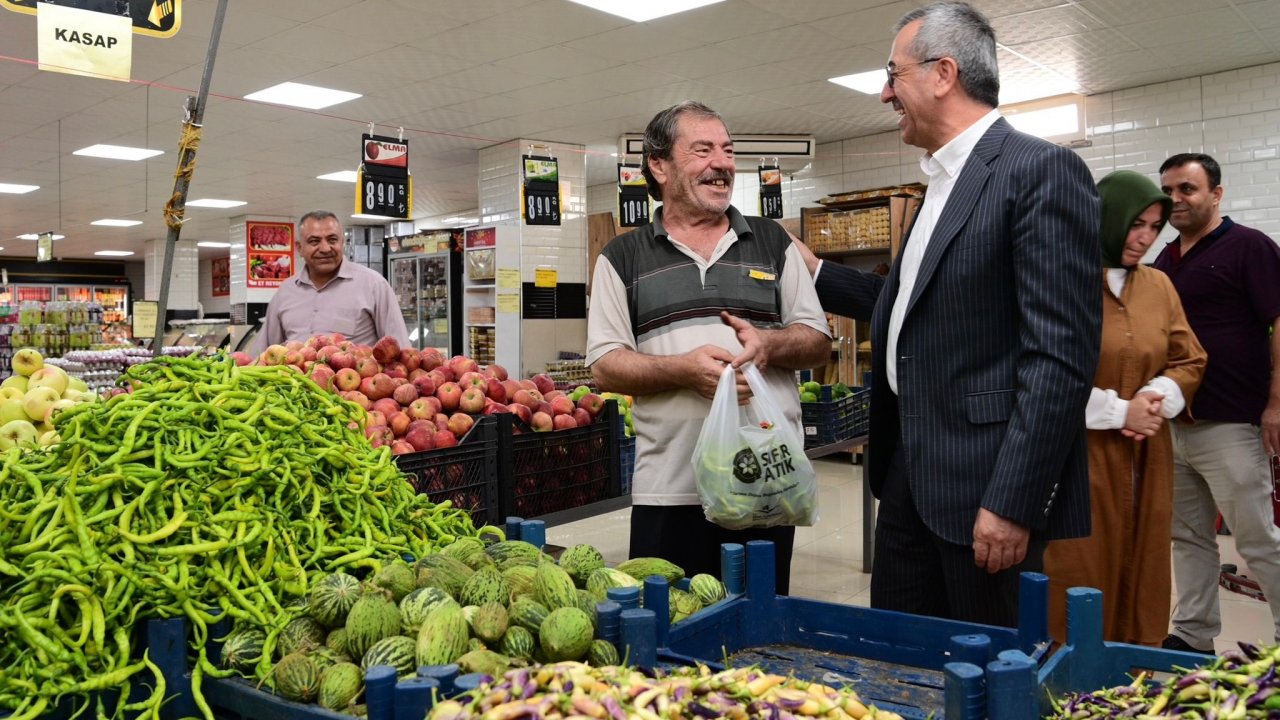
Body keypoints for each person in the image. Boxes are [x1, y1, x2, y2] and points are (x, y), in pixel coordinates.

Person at [791, 1, 1101, 626]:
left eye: (892, 74)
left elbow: (1060, 358)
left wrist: (1013, 501)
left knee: (985, 675)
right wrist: (820, 274)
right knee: (901, 663)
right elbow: (918, 312)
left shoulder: (1040, 172)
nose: (884, 94)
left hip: (985, 488)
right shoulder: (940, 184)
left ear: (943, 73)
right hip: (907, 475)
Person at [586, 101, 831, 593]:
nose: (722, 163)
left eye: (728, 150)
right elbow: (605, 368)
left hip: (762, 482)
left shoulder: (772, 242)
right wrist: (682, 370)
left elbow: (817, 341)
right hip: (668, 489)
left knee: (757, 639)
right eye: (703, 150)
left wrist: (768, 345)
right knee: (670, 642)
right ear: (659, 165)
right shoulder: (621, 257)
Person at [1042, 170, 1206, 646]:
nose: (1146, 237)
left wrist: (1158, 396)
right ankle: (1069, 689)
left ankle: (1133, 680)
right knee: (1078, 569)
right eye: (1138, 223)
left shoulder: (1158, 286)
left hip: (1148, 458)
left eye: (1156, 227)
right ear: (1104, 217)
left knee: (1144, 564)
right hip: (1077, 458)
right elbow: (1037, 374)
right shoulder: (1060, 283)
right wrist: (1119, 412)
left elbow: (1189, 356)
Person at [1152, 153, 1280, 654]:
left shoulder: (1250, 247)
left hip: (1231, 422)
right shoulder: (1165, 260)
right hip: (1176, 426)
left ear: (1216, 194)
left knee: (1257, 540)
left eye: (1187, 189)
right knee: (1188, 538)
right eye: (1168, 191)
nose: (1176, 200)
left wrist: (1275, 405)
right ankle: (1193, 633)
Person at [253, 210, 409, 353]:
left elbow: (400, 351)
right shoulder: (285, 292)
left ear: (342, 243)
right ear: (299, 248)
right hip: (294, 383)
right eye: (314, 241)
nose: (325, 248)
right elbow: (263, 355)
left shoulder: (373, 286)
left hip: (356, 382)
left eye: (332, 240)